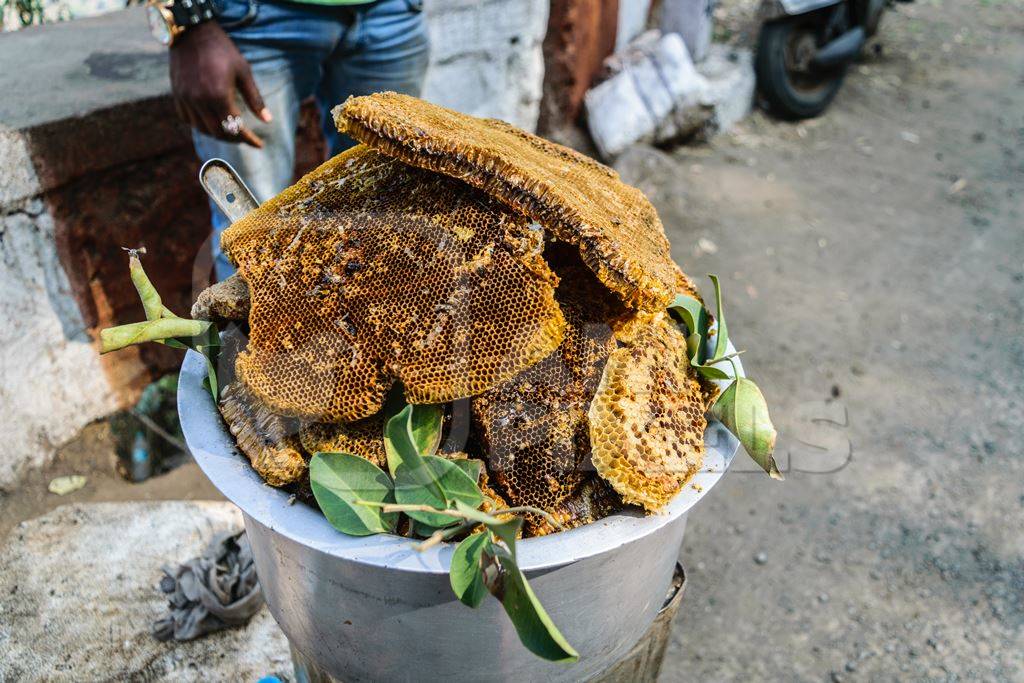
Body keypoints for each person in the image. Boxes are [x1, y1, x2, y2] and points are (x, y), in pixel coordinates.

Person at [159, 0, 429, 279]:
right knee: (251, 245)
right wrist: (189, 21)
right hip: (248, 19)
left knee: (387, 220)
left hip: (393, 13)